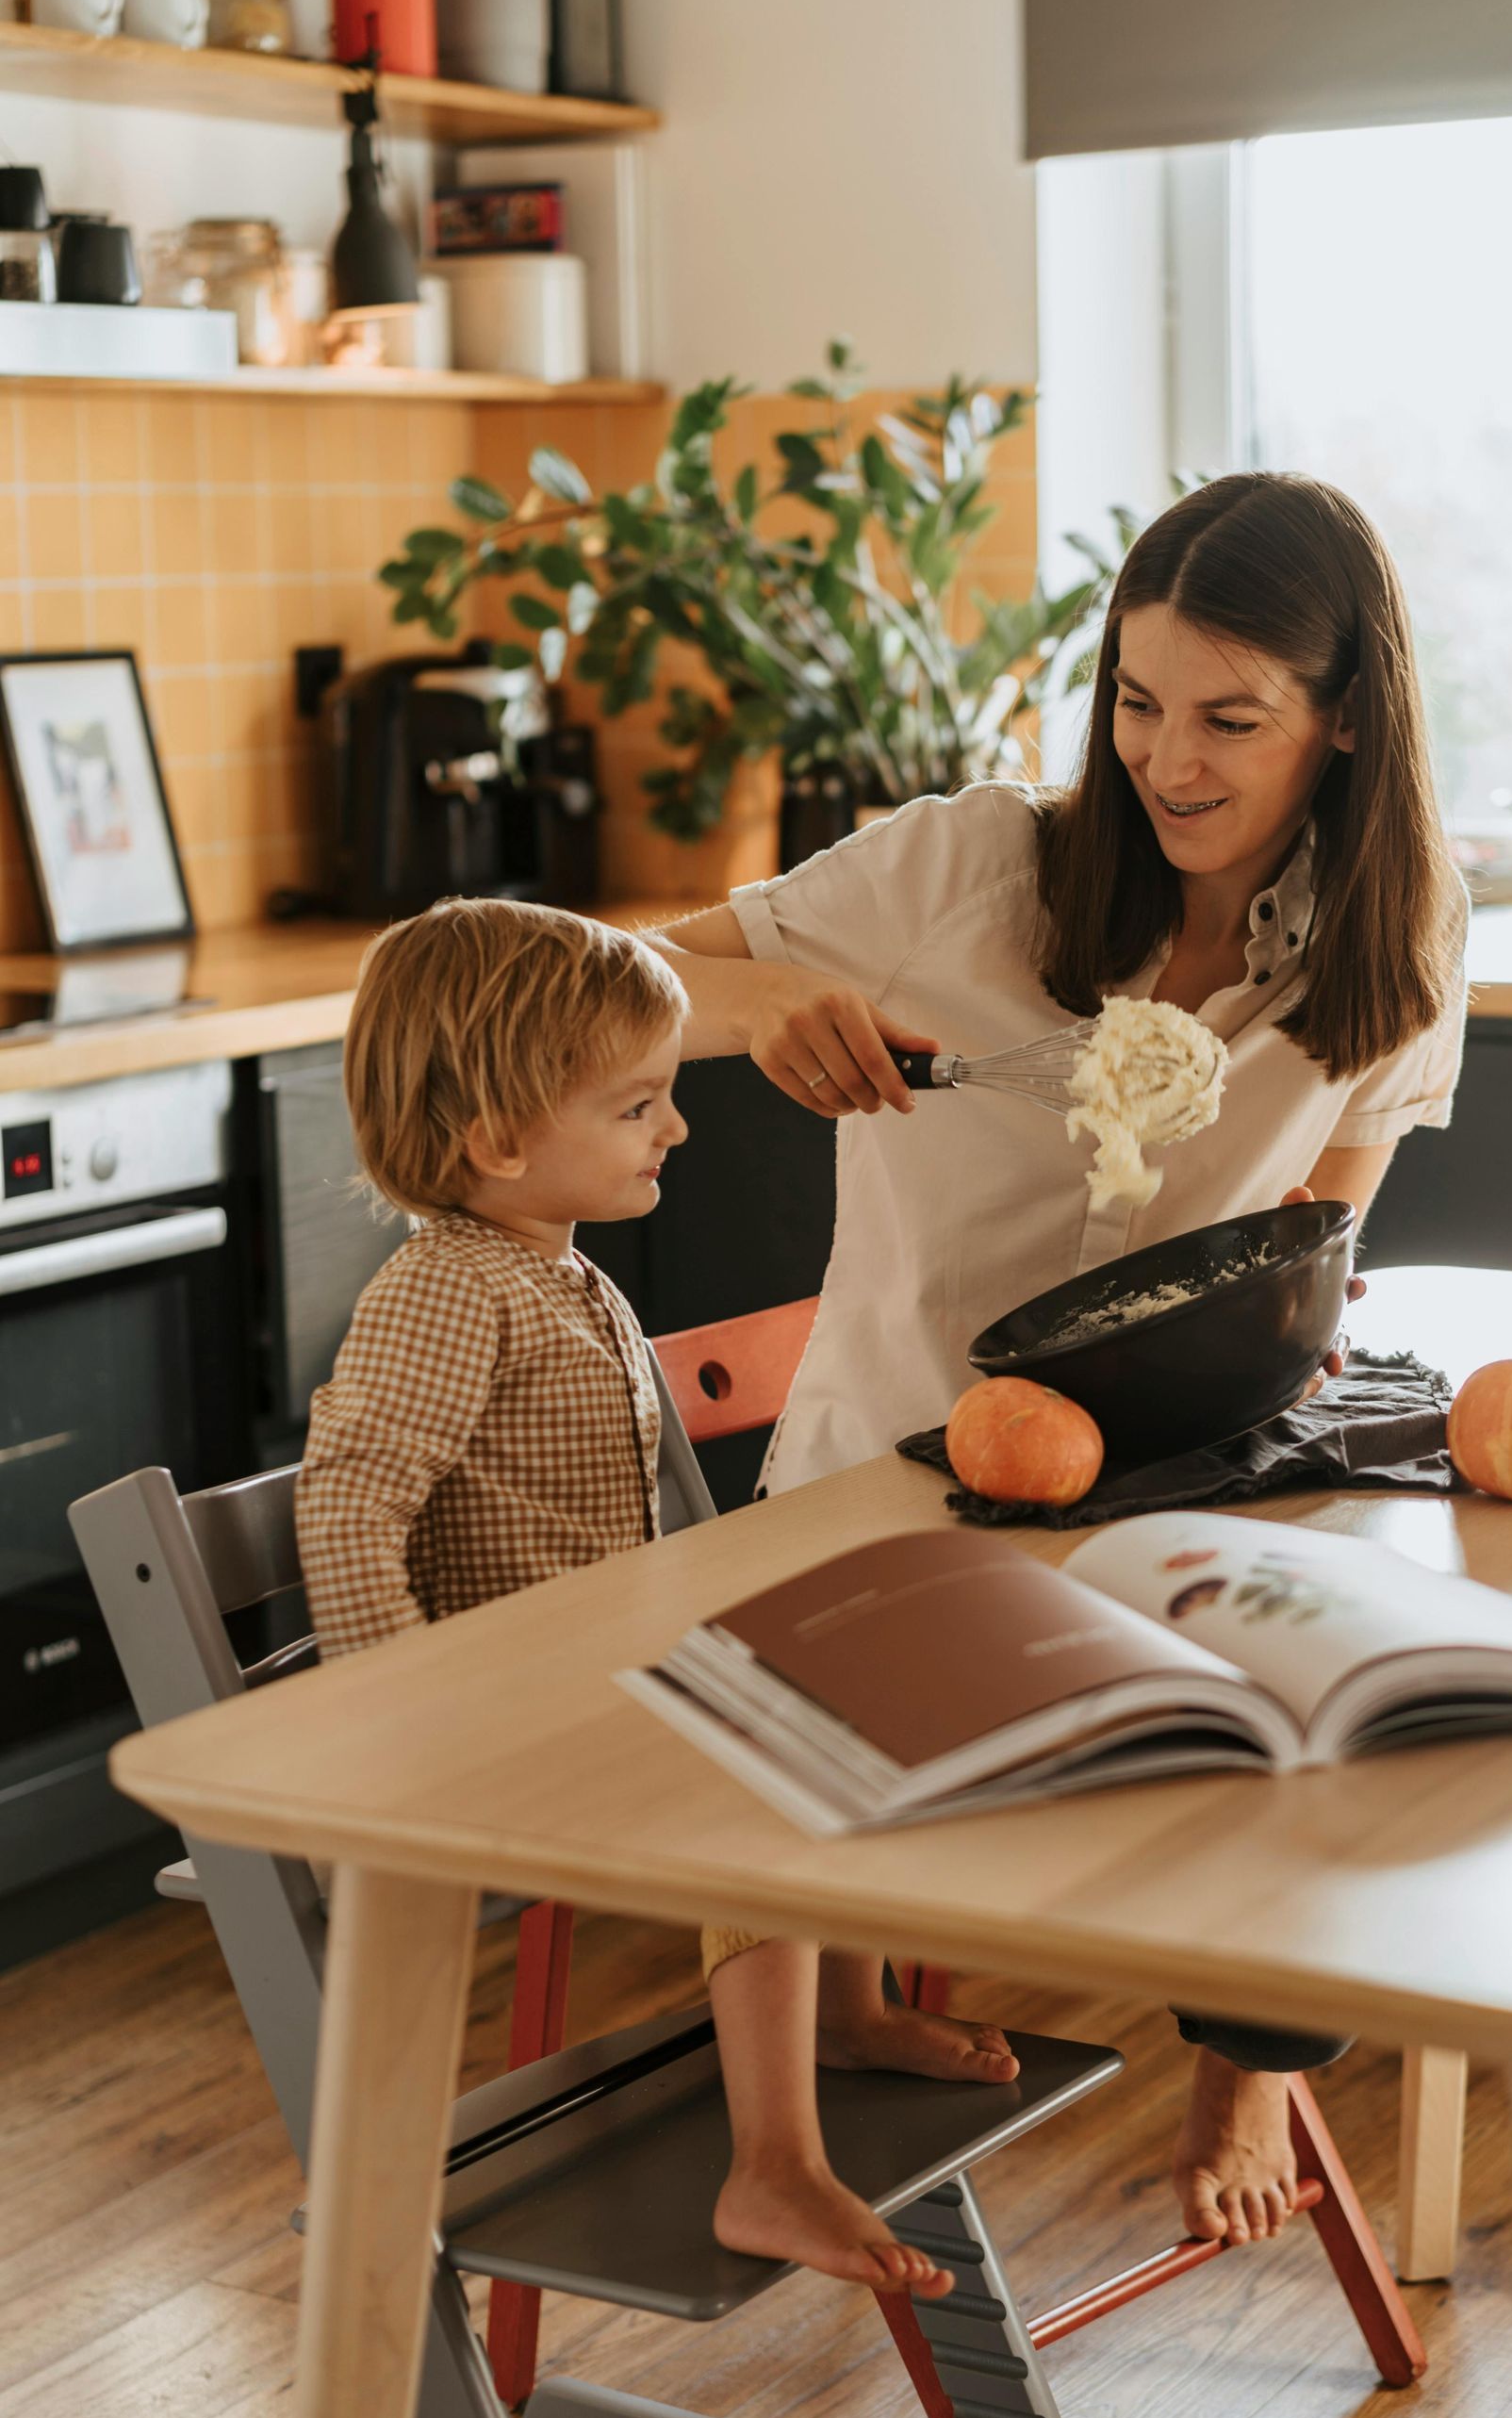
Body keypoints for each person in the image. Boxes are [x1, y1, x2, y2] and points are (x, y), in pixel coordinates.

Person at [650, 473, 1468, 2248]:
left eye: (1232, 720)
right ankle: (790, 2108)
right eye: (1138, 700)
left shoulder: (1400, 939)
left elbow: (1311, 1251)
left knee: (1361, 1695)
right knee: (776, 1688)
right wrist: (755, 1004)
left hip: (1165, 1485)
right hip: (889, 1474)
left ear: (1343, 724)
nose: (1170, 761)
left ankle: (1251, 2063)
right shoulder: (960, 869)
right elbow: (600, 983)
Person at [293, 896, 1017, 2299]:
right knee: (756, 1772)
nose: (676, 1129)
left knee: (844, 1688)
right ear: (499, 1140)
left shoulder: (556, 1274)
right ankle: (775, 2164)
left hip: (594, 1671)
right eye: (636, 1106)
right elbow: (347, 1497)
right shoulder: (449, 1293)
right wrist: (390, 1720)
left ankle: (850, 2009)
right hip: (510, 1713)